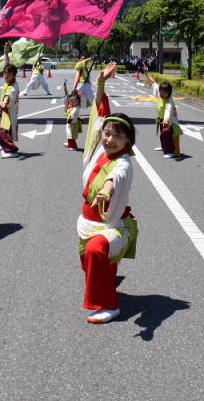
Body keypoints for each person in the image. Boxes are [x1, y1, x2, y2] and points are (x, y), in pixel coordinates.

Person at [76, 112, 138, 324]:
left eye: (117, 136)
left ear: (128, 140)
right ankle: (108, 278)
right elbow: (97, 111)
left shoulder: (124, 163)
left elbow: (115, 176)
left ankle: (109, 306)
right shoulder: (98, 151)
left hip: (114, 226)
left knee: (95, 250)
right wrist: (100, 85)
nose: (110, 140)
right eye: (107, 133)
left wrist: (106, 191)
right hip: (88, 222)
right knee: (88, 265)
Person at [147, 73, 182, 159]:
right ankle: (163, 147)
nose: (162, 93)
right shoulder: (159, 95)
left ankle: (169, 151)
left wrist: (166, 120)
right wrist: (149, 76)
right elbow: (154, 84)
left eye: (165, 92)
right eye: (161, 91)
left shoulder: (169, 101)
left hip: (170, 122)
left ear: (169, 93)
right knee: (162, 134)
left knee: (166, 134)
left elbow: (168, 110)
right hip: (162, 119)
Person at [0, 62, 21, 158]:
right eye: (4, 73)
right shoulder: (9, 82)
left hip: (9, 112)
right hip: (6, 111)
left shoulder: (13, 86)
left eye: (8, 73)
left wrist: (4, 102)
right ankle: (5, 145)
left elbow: (8, 95)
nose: (5, 75)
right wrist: (6, 52)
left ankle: (11, 149)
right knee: (6, 130)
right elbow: (7, 63)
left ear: (13, 75)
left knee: (1, 130)